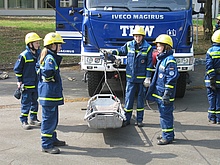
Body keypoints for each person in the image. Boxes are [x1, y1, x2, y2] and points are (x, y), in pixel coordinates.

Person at [110, 25, 153, 127]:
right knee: (128, 100)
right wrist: (112, 52)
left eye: (139, 36)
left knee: (140, 101)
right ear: (133, 36)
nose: (137, 38)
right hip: (131, 79)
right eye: (136, 36)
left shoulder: (148, 48)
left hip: (142, 80)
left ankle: (139, 120)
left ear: (143, 36)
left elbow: (149, 64)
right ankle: (127, 119)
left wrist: (148, 77)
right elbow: (121, 51)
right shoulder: (129, 45)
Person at [146, 34, 179, 145]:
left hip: (165, 94)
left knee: (165, 115)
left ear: (166, 47)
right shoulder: (163, 59)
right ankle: (167, 134)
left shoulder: (170, 61)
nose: (157, 48)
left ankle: (167, 137)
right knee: (164, 114)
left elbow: (171, 79)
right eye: (157, 46)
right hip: (161, 93)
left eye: (160, 46)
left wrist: (167, 94)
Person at [37, 32, 66, 154]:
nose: (61, 47)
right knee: (48, 120)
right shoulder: (50, 58)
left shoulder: (48, 56)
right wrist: (50, 79)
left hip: (49, 94)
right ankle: (46, 145)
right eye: (59, 45)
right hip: (49, 94)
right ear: (52, 45)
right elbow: (48, 72)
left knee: (52, 119)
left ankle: (52, 139)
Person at [14, 32, 42, 130]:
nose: (38, 45)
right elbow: (17, 69)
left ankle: (33, 119)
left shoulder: (40, 53)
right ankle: (24, 120)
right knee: (26, 103)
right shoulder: (24, 55)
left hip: (36, 83)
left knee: (35, 101)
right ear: (30, 44)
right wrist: (19, 81)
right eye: (36, 43)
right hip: (27, 84)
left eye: (38, 43)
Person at [204, 30, 220, 125]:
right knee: (218, 97)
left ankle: (212, 117)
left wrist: (212, 77)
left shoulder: (210, 51)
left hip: (210, 80)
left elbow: (209, 66)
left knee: (211, 97)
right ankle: (218, 118)